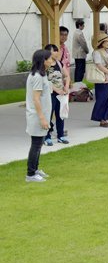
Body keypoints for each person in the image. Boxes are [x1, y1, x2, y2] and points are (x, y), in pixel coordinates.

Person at [25, 49, 53, 183]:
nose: (51, 61)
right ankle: (30, 174)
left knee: (39, 144)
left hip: (42, 115)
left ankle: (35, 169)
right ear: (43, 60)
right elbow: (36, 99)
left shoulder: (42, 75)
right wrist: (42, 118)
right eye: (50, 59)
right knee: (36, 145)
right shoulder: (37, 76)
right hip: (37, 116)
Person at [43, 44, 70, 145]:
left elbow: (67, 76)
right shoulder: (45, 64)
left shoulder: (59, 63)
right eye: (54, 51)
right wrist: (56, 90)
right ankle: (47, 137)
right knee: (48, 115)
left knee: (61, 115)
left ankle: (60, 136)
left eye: (57, 50)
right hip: (49, 94)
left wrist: (66, 86)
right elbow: (45, 81)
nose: (56, 52)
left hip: (61, 94)